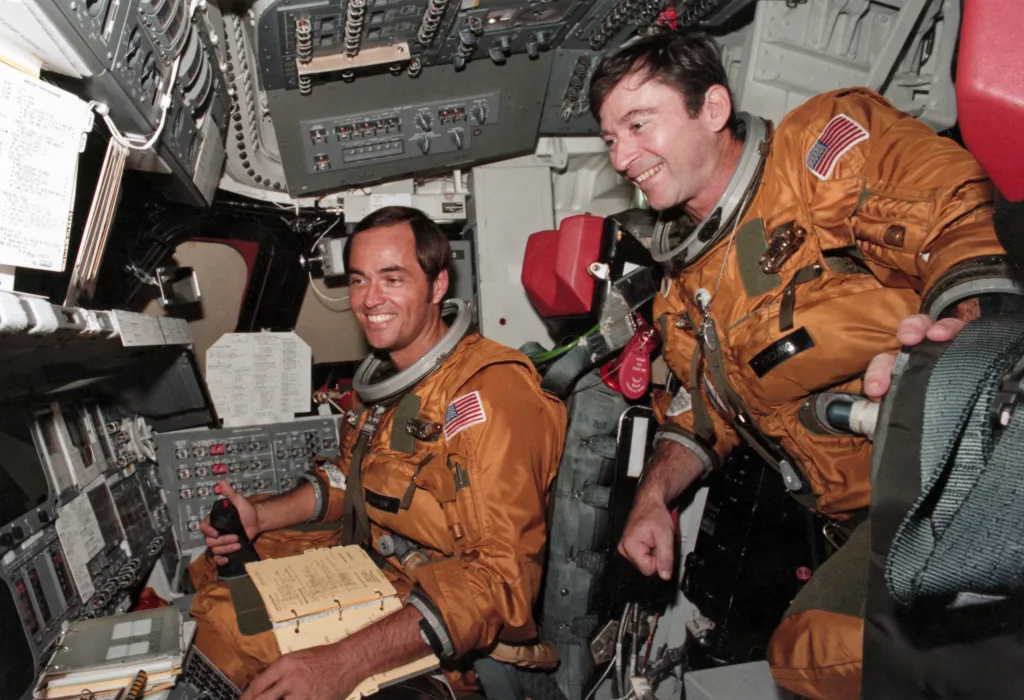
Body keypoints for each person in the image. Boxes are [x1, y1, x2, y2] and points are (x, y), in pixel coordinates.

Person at [589, 29, 1018, 700]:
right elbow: (700, 419)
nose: (623, 155)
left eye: (639, 124)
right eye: (611, 138)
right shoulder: (678, 293)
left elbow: (951, 215)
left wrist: (973, 345)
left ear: (714, 108)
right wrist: (652, 498)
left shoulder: (814, 153)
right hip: (864, 515)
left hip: (952, 467)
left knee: (810, 653)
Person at [188, 206, 567, 700]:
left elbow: (498, 580)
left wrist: (341, 662)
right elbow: (351, 477)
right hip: (375, 570)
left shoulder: (488, 395)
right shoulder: (392, 386)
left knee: (232, 621)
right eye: (360, 280)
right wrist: (261, 515)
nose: (369, 300)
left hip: (443, 614)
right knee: (213, 576)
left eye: (393, 278)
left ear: (436, 286)